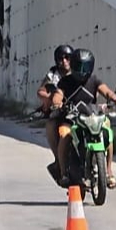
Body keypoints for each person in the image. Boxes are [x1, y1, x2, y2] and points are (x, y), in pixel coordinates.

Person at [50, 48, 116, 189]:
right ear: (73, 65)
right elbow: (58, 94)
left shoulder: (94, 80)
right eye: (79, 66)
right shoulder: (66, 82)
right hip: (72, 117)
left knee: (107, 131)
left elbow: (107, 91)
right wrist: (57, 102)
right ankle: (63, 172)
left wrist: (115, 99)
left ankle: (108, 171)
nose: (82, 71)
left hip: (92, 116)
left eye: (86, 67)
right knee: (65, 136)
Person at [39, 45, 75, 179]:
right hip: (60, 112)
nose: (64, 61)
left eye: (68, 58)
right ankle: (59, 161)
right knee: (51, 126)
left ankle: (104, 169)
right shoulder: (52, 75)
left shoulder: (79, 71)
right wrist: (51, 99)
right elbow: (41, 91)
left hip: (79, 110)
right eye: (61, 58)